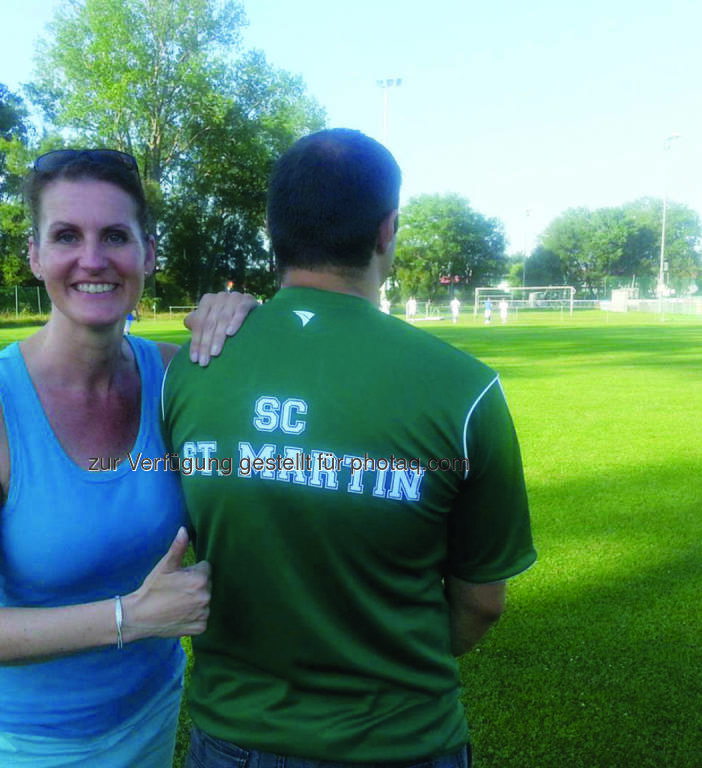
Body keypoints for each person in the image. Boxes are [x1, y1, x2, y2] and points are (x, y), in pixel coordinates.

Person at [164, 129, 536, 767]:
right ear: (387, 230)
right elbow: (481, 602)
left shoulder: (190, 367)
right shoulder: (466, 388)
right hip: (406, 740)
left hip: (234, 740)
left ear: (273, 229)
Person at [0, 148, 254, 768]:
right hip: (24, 743)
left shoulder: (177, 379)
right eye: (66, 235)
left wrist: (252, 321)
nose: (92, 260)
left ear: (148, 254)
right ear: (35, 255)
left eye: (116, 236)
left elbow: (276, 436)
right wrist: (134, 617)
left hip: (153, 713)